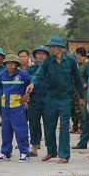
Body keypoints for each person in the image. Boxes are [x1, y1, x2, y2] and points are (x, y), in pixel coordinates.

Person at [27, 36, 83, 164]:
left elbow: (77, 79)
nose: (51, 49)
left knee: (64, 126)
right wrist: (33, 83)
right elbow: (39, 74)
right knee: (49, 126)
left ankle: (64, 154)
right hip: (51, 98)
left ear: (60, 47)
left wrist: (81, 96)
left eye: (53, 47)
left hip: (65, 98)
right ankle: (51, 151)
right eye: (50, 47)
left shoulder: (70, 61)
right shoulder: (47, 62)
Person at [0, 54, 31, 161]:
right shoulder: (1, 75)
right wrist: (0, 94)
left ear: (16, 64)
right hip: (5, 108)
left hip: (18, 108)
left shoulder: (23, 75)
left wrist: (27, 95)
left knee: (21, 130)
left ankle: (24, 153)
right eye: (8, 63)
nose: (10, 65)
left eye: (12, 63)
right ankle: (5, 153)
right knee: (6, 131)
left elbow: (32, 84)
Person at [26, 45, 49, 157]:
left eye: (43, 53)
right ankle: (34, 148)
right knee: (34, 123)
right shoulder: (30, 69)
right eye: (39, 53)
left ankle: (51, 149)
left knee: (49, 124)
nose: (41, 56)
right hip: (34, 100)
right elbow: (25, 83)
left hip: (48, 99)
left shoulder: (50, 68)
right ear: (35, 55)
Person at [71, 46, 89, 134]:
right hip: (76, 89)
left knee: (82, 109)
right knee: (75, 109)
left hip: (84, 91)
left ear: (79, 54)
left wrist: (86, 84)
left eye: (76, 54)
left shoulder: (87, 64)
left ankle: (83, 127)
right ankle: (77, 126)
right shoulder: (78, 64)